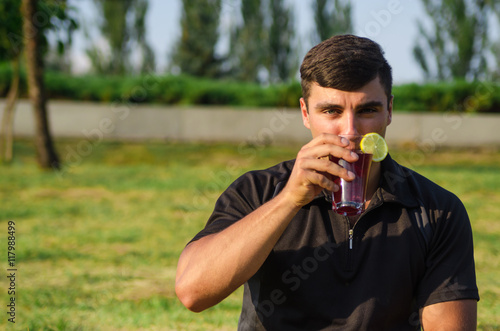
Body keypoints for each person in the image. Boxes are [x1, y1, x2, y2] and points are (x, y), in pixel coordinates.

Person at [175, 34, 479, 330]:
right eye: (331, 111)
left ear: (389, 110)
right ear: (306, 113)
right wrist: (289, 200)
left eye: (367, 110)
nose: (349, 131)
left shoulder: (438, 210)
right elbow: (193, 292)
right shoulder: (258, 191)